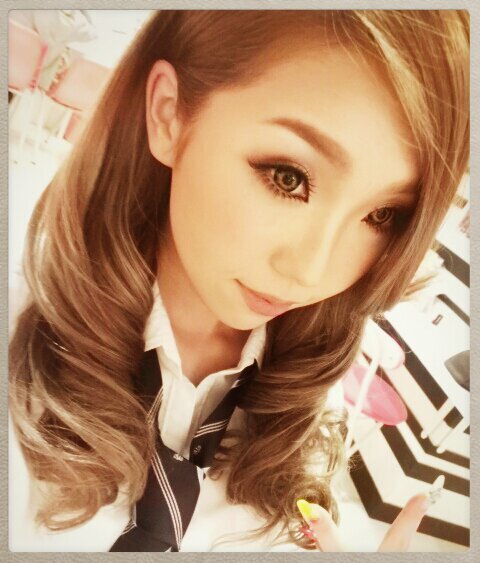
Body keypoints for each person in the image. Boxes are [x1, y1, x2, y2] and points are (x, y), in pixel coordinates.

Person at [8, 10, 469, 552]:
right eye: (288, 177)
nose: (311, 273)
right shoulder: (18, 352)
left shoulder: (303, 415)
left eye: (381, 215)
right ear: (168, 114)